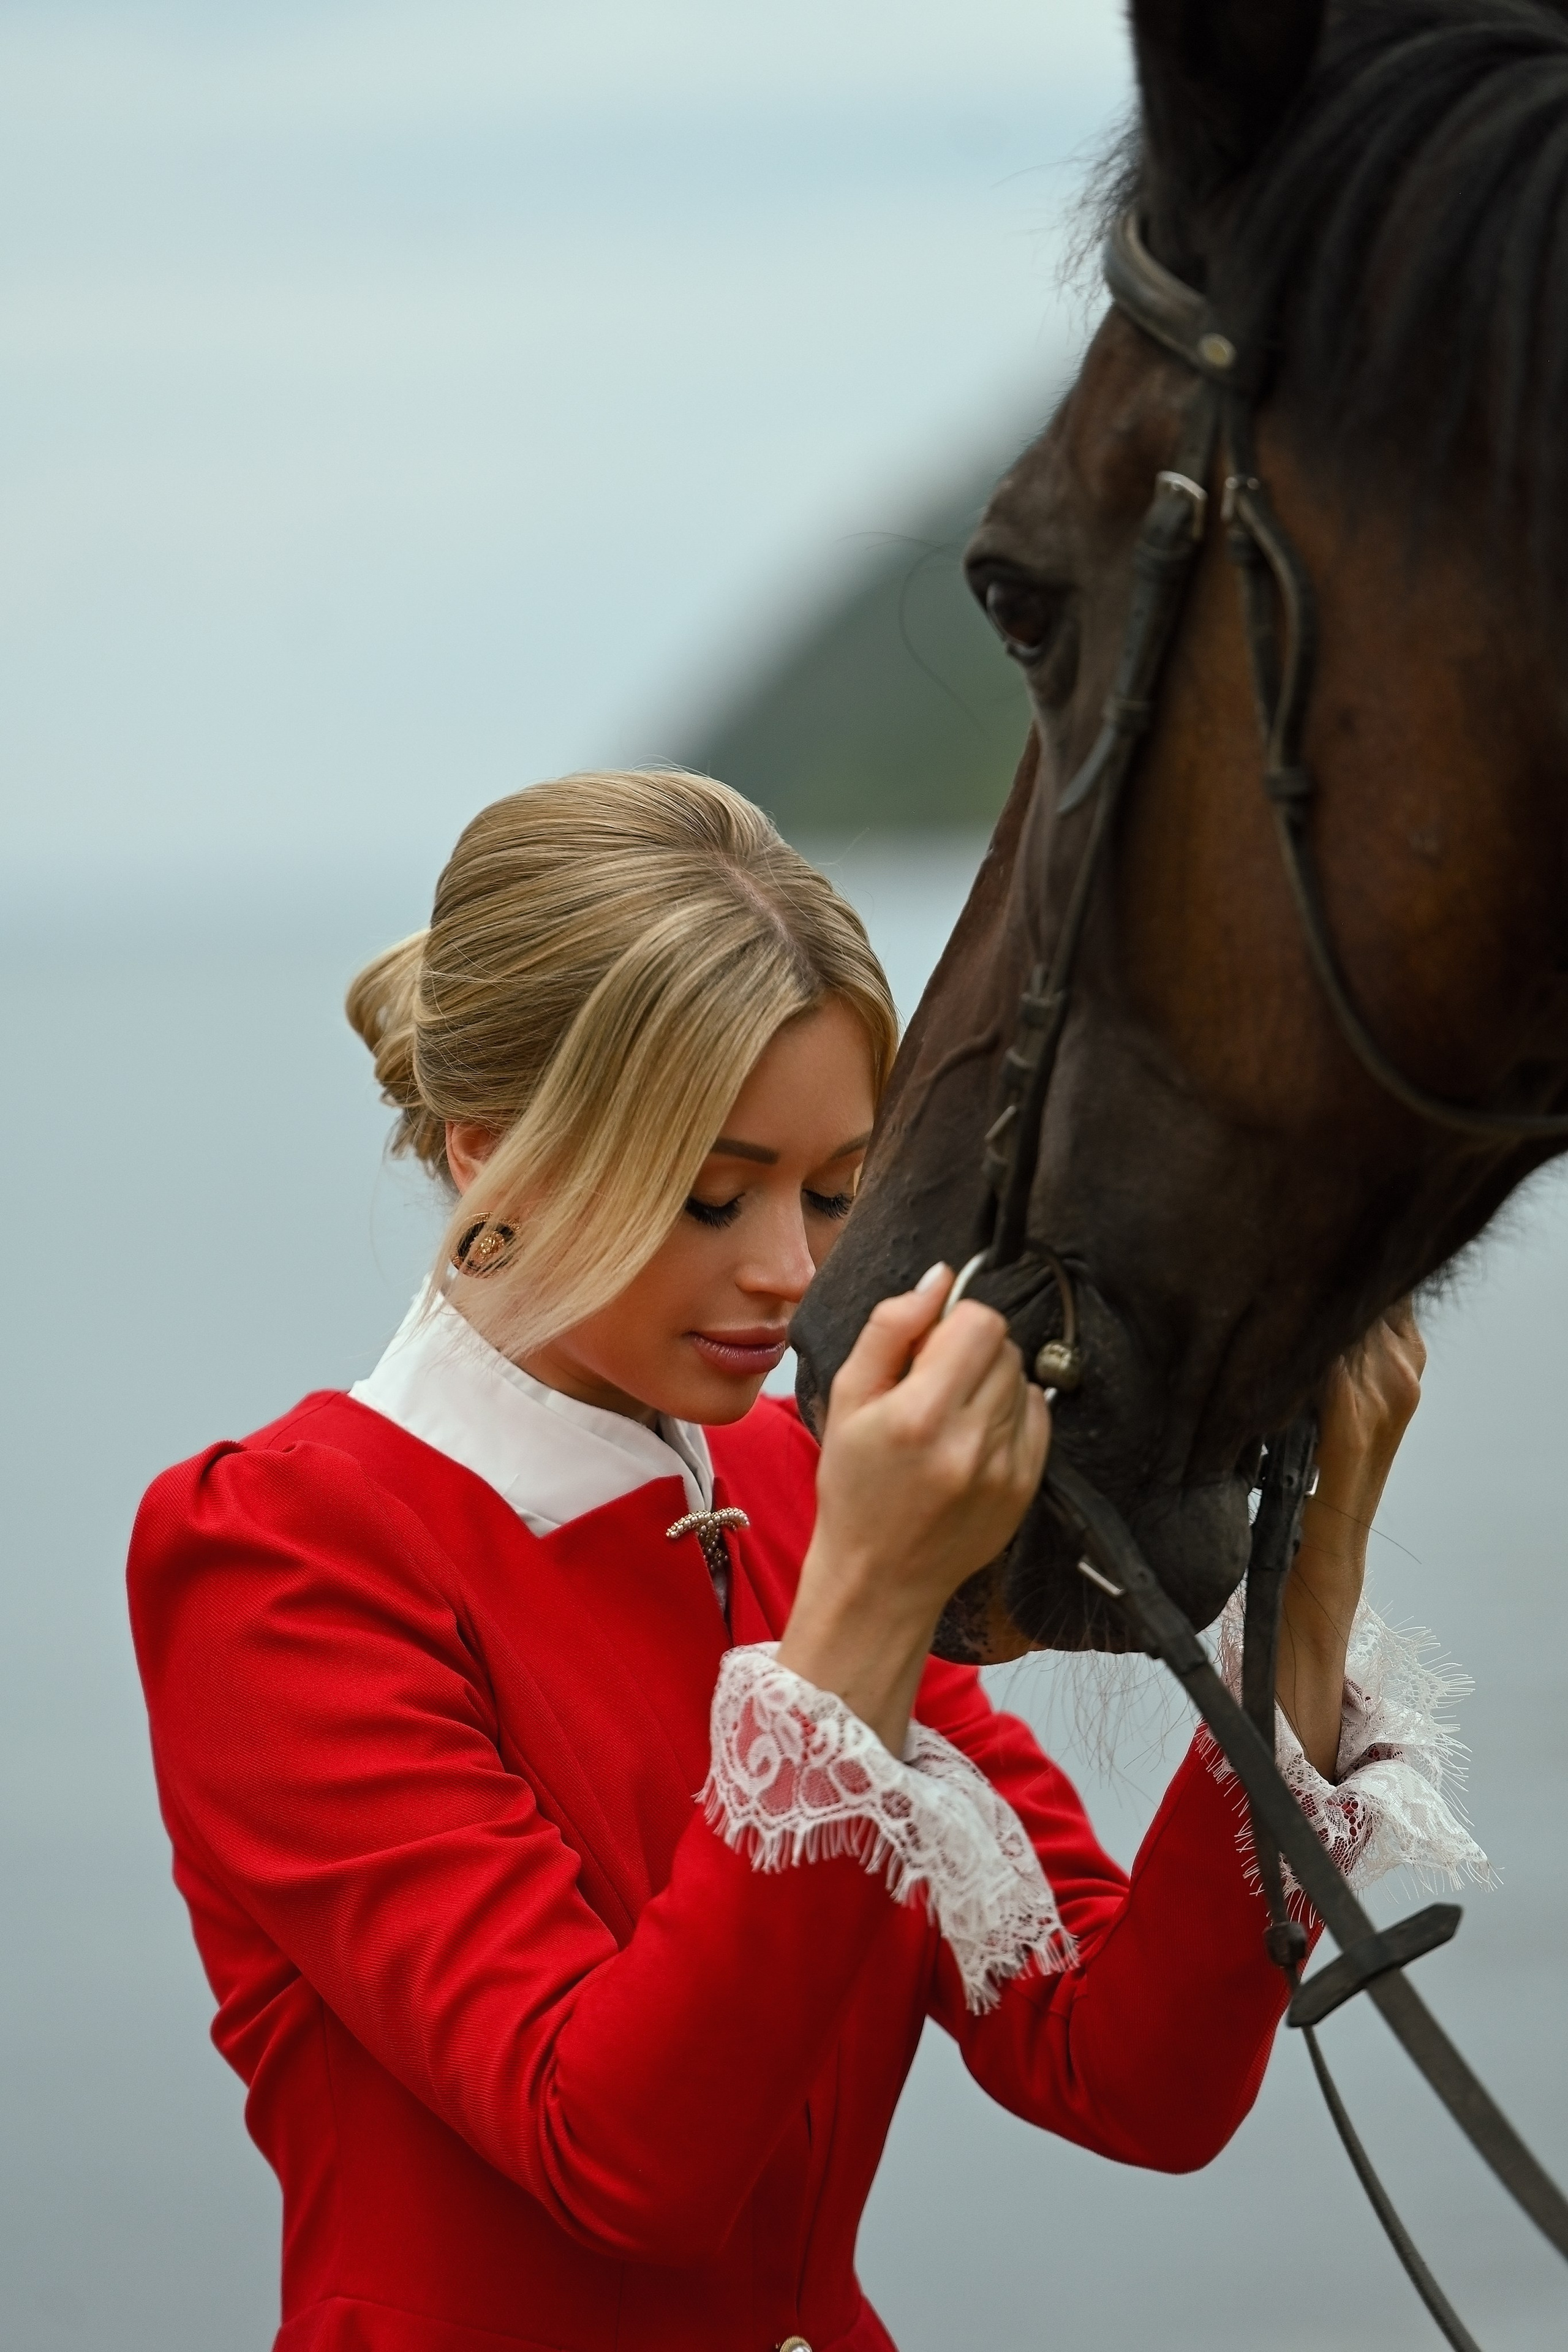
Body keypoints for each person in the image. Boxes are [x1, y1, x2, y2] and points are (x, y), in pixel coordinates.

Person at [127, 769, 1485, 2352]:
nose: (790, 1272)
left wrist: (1307, 1581)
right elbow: (619, 2156)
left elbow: (1130, 2071)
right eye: (712, 1196)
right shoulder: (283, 1548)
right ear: (486, 1159)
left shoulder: (796, 1484)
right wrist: (870, 1602)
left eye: (839, 1191)